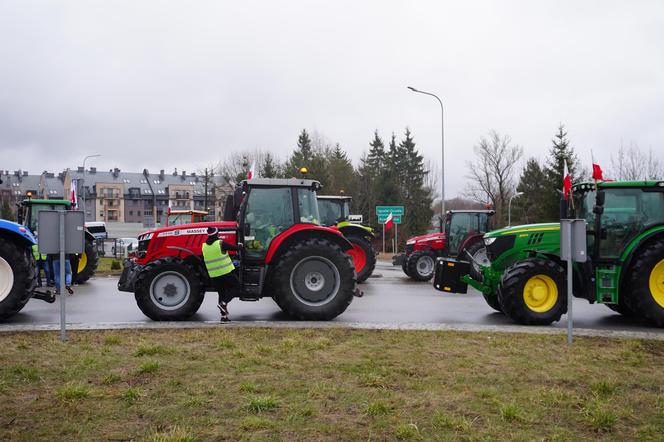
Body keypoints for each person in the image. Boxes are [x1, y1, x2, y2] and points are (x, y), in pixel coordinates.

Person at [202, 227, 241, 322]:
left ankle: (224, 317)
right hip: (226, 272)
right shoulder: (220, 243)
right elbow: (235, 248)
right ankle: (224, 303)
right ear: (216, 234)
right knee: (237, 286)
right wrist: (240, 245)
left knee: (221, 293)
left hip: (214, 275)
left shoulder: (204, 246)